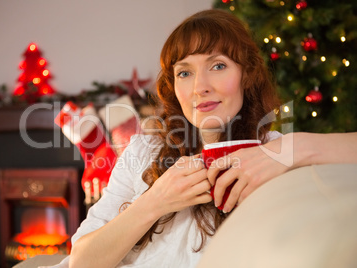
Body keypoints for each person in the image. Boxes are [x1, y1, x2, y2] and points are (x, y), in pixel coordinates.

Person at [51, 9, 357, 268]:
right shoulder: (144, 151)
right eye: (185, 73)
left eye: (218, 65)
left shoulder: (273, 154)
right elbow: (81, 261)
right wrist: (155, 201)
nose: (200, 87)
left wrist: (294, 147)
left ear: (246, 75)